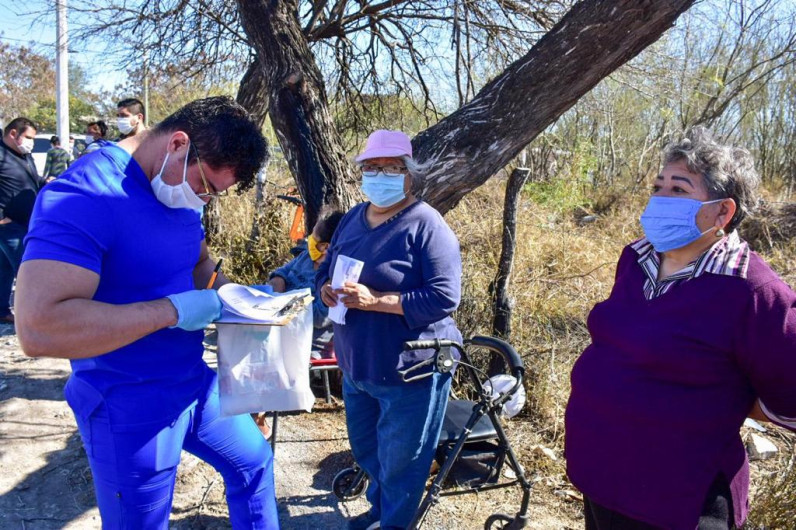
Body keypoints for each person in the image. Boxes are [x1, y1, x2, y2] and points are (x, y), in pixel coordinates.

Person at [15, 97, 279, 529]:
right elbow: (39, 327)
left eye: (214, 194)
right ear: (178, 144)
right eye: (205, 186)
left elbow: (199, 265)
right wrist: (171, 311)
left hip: (193, 383)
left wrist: (237, 297)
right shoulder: (84, 195)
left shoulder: (181, 191)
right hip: (126, 400)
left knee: (254, 463)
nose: (204, 199)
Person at [565, 128, 796, 530]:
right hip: (601, 477)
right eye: (658, 186)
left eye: (678, 189)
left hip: (677, 502)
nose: (660, 199)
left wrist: (729, 400)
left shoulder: (754, 290)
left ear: (722, 212)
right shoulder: (636, 259)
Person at [317, 130, 462, 530]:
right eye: (372, 167)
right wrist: (324, 288)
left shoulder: (427, 225)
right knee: (368, 451)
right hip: (357, 364)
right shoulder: (352, 218)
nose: (379, 175)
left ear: (410, 175)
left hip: (411, 371)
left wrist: (376, 300)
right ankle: (378, 513)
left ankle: (394, 523)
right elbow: (324, 268)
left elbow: (444, 297)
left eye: (392, 168)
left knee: (403, 466)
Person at [252, 208, 345, 437]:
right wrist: (277, 282)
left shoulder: (337, 277)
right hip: (280, 325)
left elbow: (321, 317)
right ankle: (242, 404)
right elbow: (282, 272)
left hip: (309, 342)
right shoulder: (306, 257)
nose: (308, 240)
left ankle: (257, 416)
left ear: (326, 247)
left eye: (314, 238)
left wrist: (285, 305)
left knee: (265, 349)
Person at [0, 117, 47, 323]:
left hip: (25, 221)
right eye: (29, 137)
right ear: (13, 134)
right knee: (28, 271)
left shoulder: (23, 155)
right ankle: (36, 319)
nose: (31, 143)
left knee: (4, 269)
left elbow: (31, 179)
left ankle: (1, 311)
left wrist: (46, 182)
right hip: (8, 226)